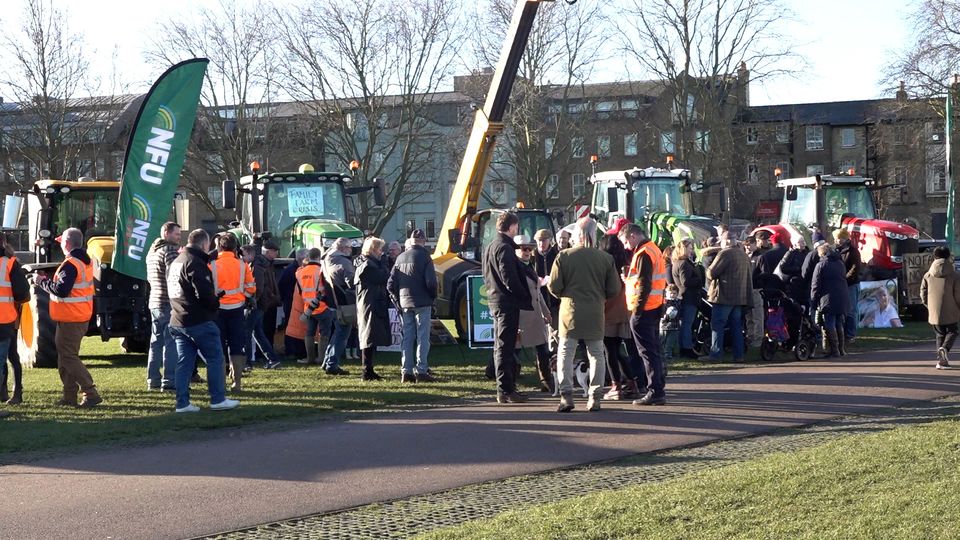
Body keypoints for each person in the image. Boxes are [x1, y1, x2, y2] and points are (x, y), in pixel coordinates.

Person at [550, 217, 621, 412]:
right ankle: (595, 397)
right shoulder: (606, 259)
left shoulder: (563, 256)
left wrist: (564, 295)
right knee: (596, 355)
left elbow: (554, 286)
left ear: (576, 234)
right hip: (595, 311)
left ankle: (566, 396)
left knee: (565, 353)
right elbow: (614, 289)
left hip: (569, 312)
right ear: (593, 234)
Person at [167, 229, 239, 413]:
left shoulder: (176, 261)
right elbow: (204, 295)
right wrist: (215, 302)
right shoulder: (195, 262)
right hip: (197, 319)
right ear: (204, 244)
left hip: (177, 319)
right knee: (215, 358)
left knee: (185, 362)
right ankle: (218, 399)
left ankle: (182, 403)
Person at [34, 228, 102, 408]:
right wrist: (63, 239)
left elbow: (61, 290)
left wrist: (41, 281)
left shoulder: (71, 264)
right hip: (78, 316)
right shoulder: (83, 261)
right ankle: (69, 397)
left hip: (70, 318)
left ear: (66, 243)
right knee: (65, 358)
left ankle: (90, 392)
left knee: (68, 357)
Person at [482, 212, 530, 403]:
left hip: (495, 299)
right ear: (511, 227)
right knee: (505, 346)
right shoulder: (505, 248)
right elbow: (508, 277)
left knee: (501, 345)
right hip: (506, 302)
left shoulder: (491, 247)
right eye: (516, 228)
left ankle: (506, 387)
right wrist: (522, 294)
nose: (516, 230)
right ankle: (505, 389)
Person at [619, 223, 668, 406]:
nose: (625, 246)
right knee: (654, 350)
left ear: (632, 236)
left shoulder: (643, 254)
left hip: (644, 309)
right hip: (654, 306)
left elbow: (645, 284)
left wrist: (638, 310)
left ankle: (654, 390)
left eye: (625, 242)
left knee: (647, 352)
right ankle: (658, 388)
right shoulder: (653, 249)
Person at [388, 229, 438, 383]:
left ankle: (406, 371)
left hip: (404, 302)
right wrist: (433, 297)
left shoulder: (400, 257)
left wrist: (397, 300)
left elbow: (390, 284)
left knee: (407, 338)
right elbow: (431, 282)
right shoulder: (425, 257)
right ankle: (422, 370)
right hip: (422, 302)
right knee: (423, 337)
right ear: (423, 241)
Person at [599, 227, 641, 401]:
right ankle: (632, 382)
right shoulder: (625, 266)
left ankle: (616, 385)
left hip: (608, 313)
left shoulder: (605, 269)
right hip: (623, 312)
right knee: (618, 350)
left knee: (610, 351)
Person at [210, 234, 255, 392]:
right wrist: (244, 296)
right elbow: (251, 288)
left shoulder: (212, 265)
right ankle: (237, 383)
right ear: (236, 248)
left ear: (220, 247)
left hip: (218, 310)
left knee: (219, 346)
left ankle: (221, 382)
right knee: (237, 345)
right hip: (237, 309)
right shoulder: (243, 265)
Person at [145, 221, 181, 392]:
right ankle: (169, 380)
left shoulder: (152, 252)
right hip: (167, 302)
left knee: (155, 342)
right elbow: (174, 278)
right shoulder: (170, 251)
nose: (179, 237)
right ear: (166, 232)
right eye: (176, 234)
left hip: (154, 301)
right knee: (171, 342)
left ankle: (153, 379)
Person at [705, 233, 753, 362]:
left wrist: (707, 268)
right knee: (736, 327)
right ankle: (739, 356)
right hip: (739, 297)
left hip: (724, 296)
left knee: (717, 325)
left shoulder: (724, 254)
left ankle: (716, 355)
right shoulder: (743, 255)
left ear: (725, 241)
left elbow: (711, 273)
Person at [355, 237, 391, 381]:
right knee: (368, 337)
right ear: (374, 249)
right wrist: (384, 264)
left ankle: (368, 369)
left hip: (370, 302)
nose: (382, 252)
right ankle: (366, 370)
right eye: (380, 249)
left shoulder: (365, 262)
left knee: (370, 336)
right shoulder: (368, 266)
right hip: (370, 303)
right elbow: (383, 277)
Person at [241, 244, 282, 370]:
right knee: (257, 332)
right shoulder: (264, 264)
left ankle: (247, 363)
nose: (241, 258)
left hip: (256, 303)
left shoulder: (257, 265)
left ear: (249, 254)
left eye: (243, 255)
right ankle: (272, 359)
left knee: (247, 331)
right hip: (262, 303)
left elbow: (257, 286)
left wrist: (252, 301)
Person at [0, 235, 29, 406]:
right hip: (6, 319)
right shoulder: (10, 263)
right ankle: (16, 392)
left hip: (6, 318)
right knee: (11, 356)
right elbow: (22, 292)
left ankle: (4, 391)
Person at [921, 246, 960, 369]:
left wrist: (929, 305)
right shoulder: (955, 275)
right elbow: (958, 294)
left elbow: (923, 292)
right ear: (949, 256)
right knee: (953, 331)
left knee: (939, 334)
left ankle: (941, 361)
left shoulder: (928, 275)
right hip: (952, 310)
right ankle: (945, 349)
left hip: (934, 310)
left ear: (934, 257)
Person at [322, 237, 356, 376]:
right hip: (344, 304)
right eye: (349, 248)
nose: (351, 250)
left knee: (336, 334)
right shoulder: (344, 262)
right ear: (343, 249)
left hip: (331, 302)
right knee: (342, 335)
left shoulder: (325, 260)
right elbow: (352, 283)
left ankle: (327, 361)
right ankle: (332, 364)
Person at [296, 248, 336, 366]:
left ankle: (310, 358)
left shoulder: (299, 272)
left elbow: (300, 291)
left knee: (309, 333)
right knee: (324, 333)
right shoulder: (322, 270)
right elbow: (326, 289)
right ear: (319, 257)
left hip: (308, 308)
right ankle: (322, 358)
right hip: (323, 306)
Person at [810, 243, 849, 358]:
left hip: (828, 298)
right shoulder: (840, 263)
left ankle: (834, 350)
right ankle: (841, 349)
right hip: (842, 296)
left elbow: (815, 285)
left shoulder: (821, 265)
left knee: (829, 323)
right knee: (838, 322)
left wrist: (813, 300)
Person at [672, 237, 702, 359]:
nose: (692, 250)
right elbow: (685, 282)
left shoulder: (678, 263)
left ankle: (683, 348)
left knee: (684, 324)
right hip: (689, 297)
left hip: (684, 296)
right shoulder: (684, 263)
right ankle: (687, 348)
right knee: (687, 324)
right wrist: (699, 280)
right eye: (690, 248)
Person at [280, 249, 309, 361]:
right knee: (294, 328)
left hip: (291, 302)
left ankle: (294, 351)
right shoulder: (294, 270)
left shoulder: (290, 269)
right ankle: (294, 351)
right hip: (292, 303)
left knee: (293, 328)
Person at [835, 229, 862, 343]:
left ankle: (851, 334)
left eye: (838, 238)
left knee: (851, 310)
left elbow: (855, 268)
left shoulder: (853, 251)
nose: (836, 240)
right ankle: (843, 332)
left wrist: (845, 278)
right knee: (843, 310)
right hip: (840, 283)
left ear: (844, 238)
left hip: (851, 284)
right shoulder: (836, 250)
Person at [533, 228, 560, 331]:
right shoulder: (532, 255)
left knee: (556, 332)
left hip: (554, 300)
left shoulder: (556, 255)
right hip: (538, 300)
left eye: (544, 240)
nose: (541, 243)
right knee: (539, 332)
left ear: (550, 240)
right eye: (539, 240)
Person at [260, 241, 282, 351]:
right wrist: (273, 295)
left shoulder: (269, 263)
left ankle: (269, 350)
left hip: (270, 301)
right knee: (266, 328)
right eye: (275, 251)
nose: (277, 254)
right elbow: (264, 283)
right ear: (268, 252)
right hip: (267, 302)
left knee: (269, 328)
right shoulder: (263, 264)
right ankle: (265, 352)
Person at [661, 284, 681, 361]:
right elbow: (661, 313)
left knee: (671, 341)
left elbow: (680, 313)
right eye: (670, 293)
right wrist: (665, 316)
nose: (672, 295)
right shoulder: (664, 302)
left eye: (674, 293)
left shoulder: (678, 302)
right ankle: (661, 354)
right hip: (664, 325)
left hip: (674, 326)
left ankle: (668, 354)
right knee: (662, 340)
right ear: (666, 293)